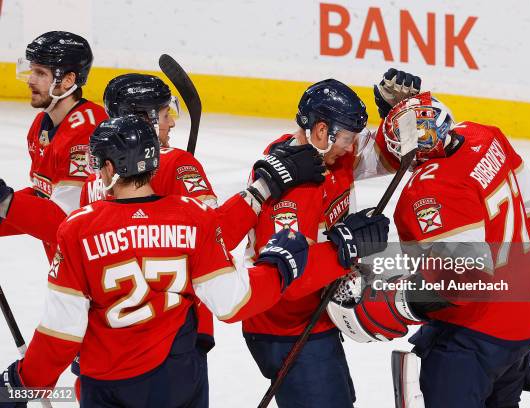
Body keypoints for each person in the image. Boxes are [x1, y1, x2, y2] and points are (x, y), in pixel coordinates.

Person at [0, 115, 318, 408]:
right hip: (178, 375)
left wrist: (21, 382)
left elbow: (60, 333)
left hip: (109, 383)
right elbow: (231, 302)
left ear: (110, 169)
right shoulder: (193, 216)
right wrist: (280, 266)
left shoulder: (78, 229)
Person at [328, 92, 530, 408]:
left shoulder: (429, 191)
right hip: (527, 315)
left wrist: (394, 302)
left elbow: (466, 282)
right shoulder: (484, 135)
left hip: (475, 334)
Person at [241, 77, 416, 408]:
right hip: (286, 327)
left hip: (316, 316)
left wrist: (398, 117)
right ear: (321, 131)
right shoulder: (291, 188)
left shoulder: (332, 154)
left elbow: (391, 157)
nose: (353, 146)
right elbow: (285, 279)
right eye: (348, 138)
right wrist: (345, 245)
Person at [0, 31, 108, 261]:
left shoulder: (86, 132)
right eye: (32, 70)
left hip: (95, 267)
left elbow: (66, 223)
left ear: (68, 80)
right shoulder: (43, 123)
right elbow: (43, 197)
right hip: (67, 266)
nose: (30, 80)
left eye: (41, 73)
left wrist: (5, 201)